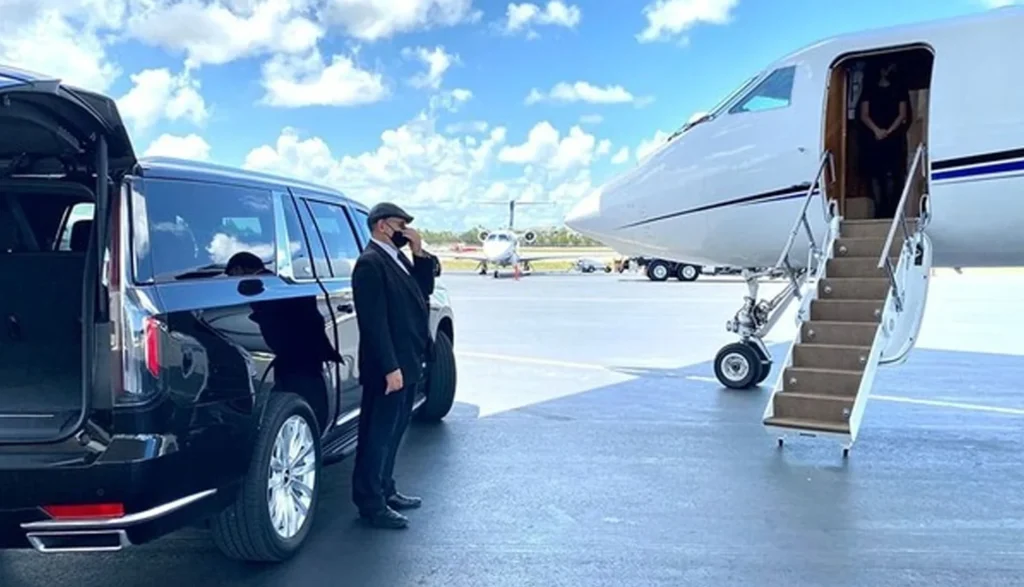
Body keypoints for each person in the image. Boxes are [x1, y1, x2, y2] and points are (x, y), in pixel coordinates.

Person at [350, 201, 439, 529]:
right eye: (401, 226)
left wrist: (419, 251)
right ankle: (371, 502)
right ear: (381, 226)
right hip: (390, 367)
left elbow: (424, 289)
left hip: (409, 360)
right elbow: (373, 323)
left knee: (395, 431)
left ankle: (386, 488)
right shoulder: (370, 264)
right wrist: (390, 367)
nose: (407, 232)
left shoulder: (397, 258)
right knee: (378, 434)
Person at [858, 60, 911, 219]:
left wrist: (888, 131)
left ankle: (893, 210)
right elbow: (864, 114)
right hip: (875, 139)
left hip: (893, 138)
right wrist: (877, 130)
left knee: (894, 175)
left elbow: (903, 115)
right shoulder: (869, 89)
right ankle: (879, 210)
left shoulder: (900, 89)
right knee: (876, 175)